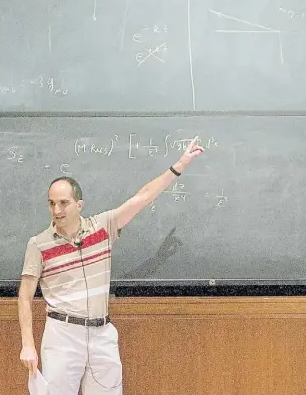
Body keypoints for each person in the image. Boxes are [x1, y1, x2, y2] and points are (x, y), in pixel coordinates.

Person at [17, 136, 205, 395]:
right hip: (62, 334)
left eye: (63, 203)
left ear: (79, 205)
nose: (57, 210)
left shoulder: (103, 227)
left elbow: (142, 198)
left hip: (101, 332)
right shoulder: (39, 245)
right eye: (51, 203)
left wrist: (180, 165)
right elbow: (25, 297)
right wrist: (27, 343)